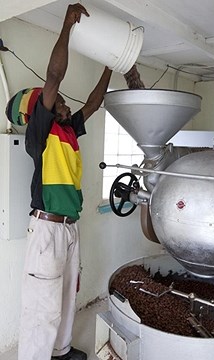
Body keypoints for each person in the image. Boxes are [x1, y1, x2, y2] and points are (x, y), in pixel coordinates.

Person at [18, 3, 112, 360]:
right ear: (40, 108)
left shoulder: (69, 130)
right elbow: (54, 78)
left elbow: (94, 101)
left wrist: (110, 64)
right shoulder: (40, 133)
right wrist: (66, 26)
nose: (64, 105)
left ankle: (60, 351)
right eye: (56, 103)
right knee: (41, 307)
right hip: (46, 230)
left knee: (66, 297)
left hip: (69, 229)